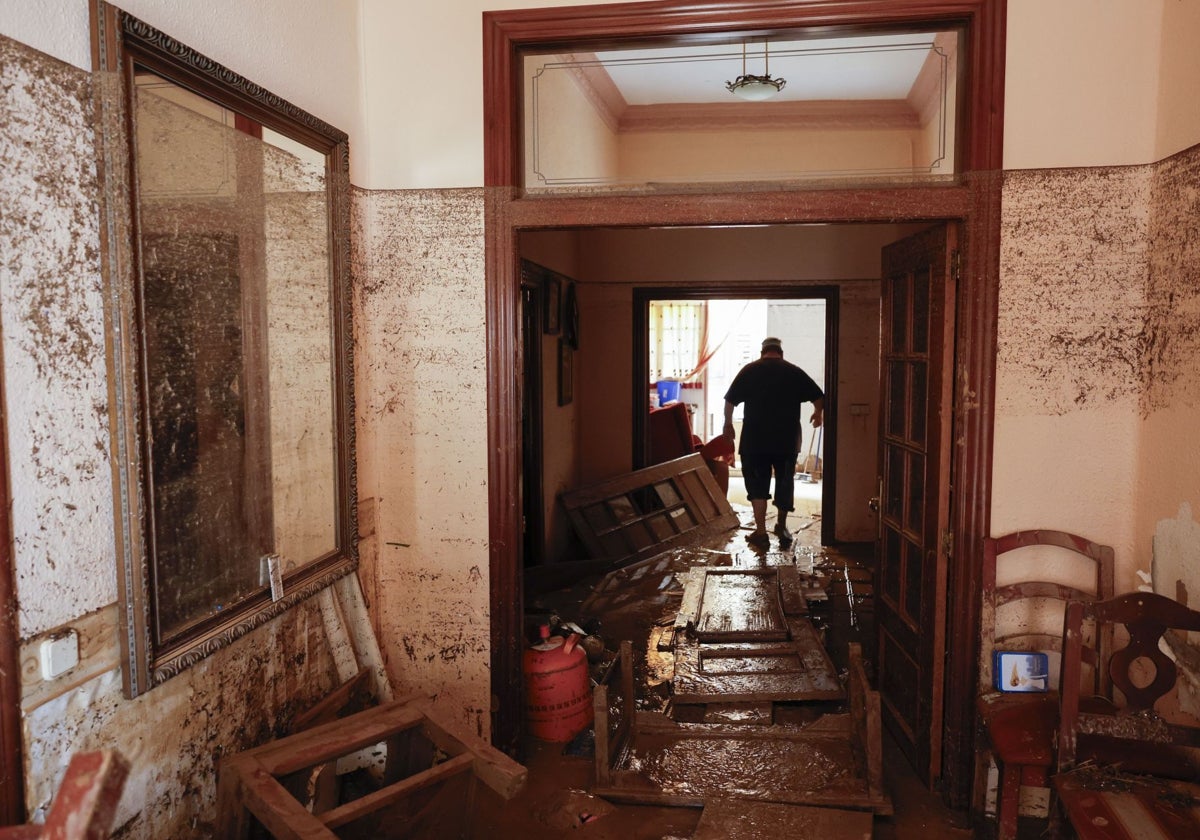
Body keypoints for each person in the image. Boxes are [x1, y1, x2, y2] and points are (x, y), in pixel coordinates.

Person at [722, 336, 824, 548]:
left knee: (757, 485)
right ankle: (781, 526)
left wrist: (728, 424)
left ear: (762, 353)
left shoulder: (749, 370)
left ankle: (761, 532)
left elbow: (730, 400)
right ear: (781, 353)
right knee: (785, 482)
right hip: (786, 440)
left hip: (755, 440)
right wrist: (817, 413)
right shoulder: (793, 371)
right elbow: (819, 396)